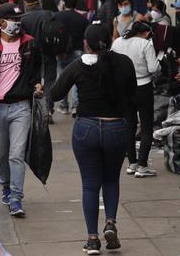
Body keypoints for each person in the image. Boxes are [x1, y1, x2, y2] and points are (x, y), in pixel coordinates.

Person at [50, 23, 136, 254]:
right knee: (111, 180)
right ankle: (110, 222)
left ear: (86, 44)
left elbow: (56, 93)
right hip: (116, 128)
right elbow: (132, 98)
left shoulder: (77, 66)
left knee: (90, 185)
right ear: (109, 40)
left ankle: (92, 239)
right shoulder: (124, 63)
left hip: (86, 129)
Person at [0, 3, 42, 218]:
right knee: (0, 154)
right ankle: (5, 185)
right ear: (2, 22)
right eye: (14, 19)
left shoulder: (29, 43)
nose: (18, 23)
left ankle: (16, 198)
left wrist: (37, 84)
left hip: (21, 106)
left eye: (19, 19)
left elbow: (35, 70)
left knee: (16, 155)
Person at [112, 21, 159, 177]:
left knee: (129, 125)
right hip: (143, 86)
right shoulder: (145, 44)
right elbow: (153, 68)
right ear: (145, 33)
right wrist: (159, 66)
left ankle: (132, 163)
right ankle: (142, 165)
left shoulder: (118, 42)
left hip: (123, 88)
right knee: (146, 126)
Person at [54, 0, 90, 117]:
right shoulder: (82, 19)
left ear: (64, 3)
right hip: (77, 52)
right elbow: (87, 37)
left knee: (63, 78)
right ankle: (76, 106)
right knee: (76, 80)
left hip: (60, 53)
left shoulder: (56, 16)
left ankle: (64, 106)